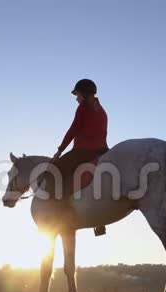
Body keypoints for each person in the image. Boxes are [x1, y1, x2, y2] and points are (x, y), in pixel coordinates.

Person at [45, 79, 109, 236]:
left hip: (84, 151)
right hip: (103, 151)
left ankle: (63, 211)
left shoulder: (83, 108)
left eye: (78, 94)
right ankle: (100, 223)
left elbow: (73, 130)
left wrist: (59, 151)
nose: (76, 98)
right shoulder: (101, 110)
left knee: (54, 170)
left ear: (84, 93)